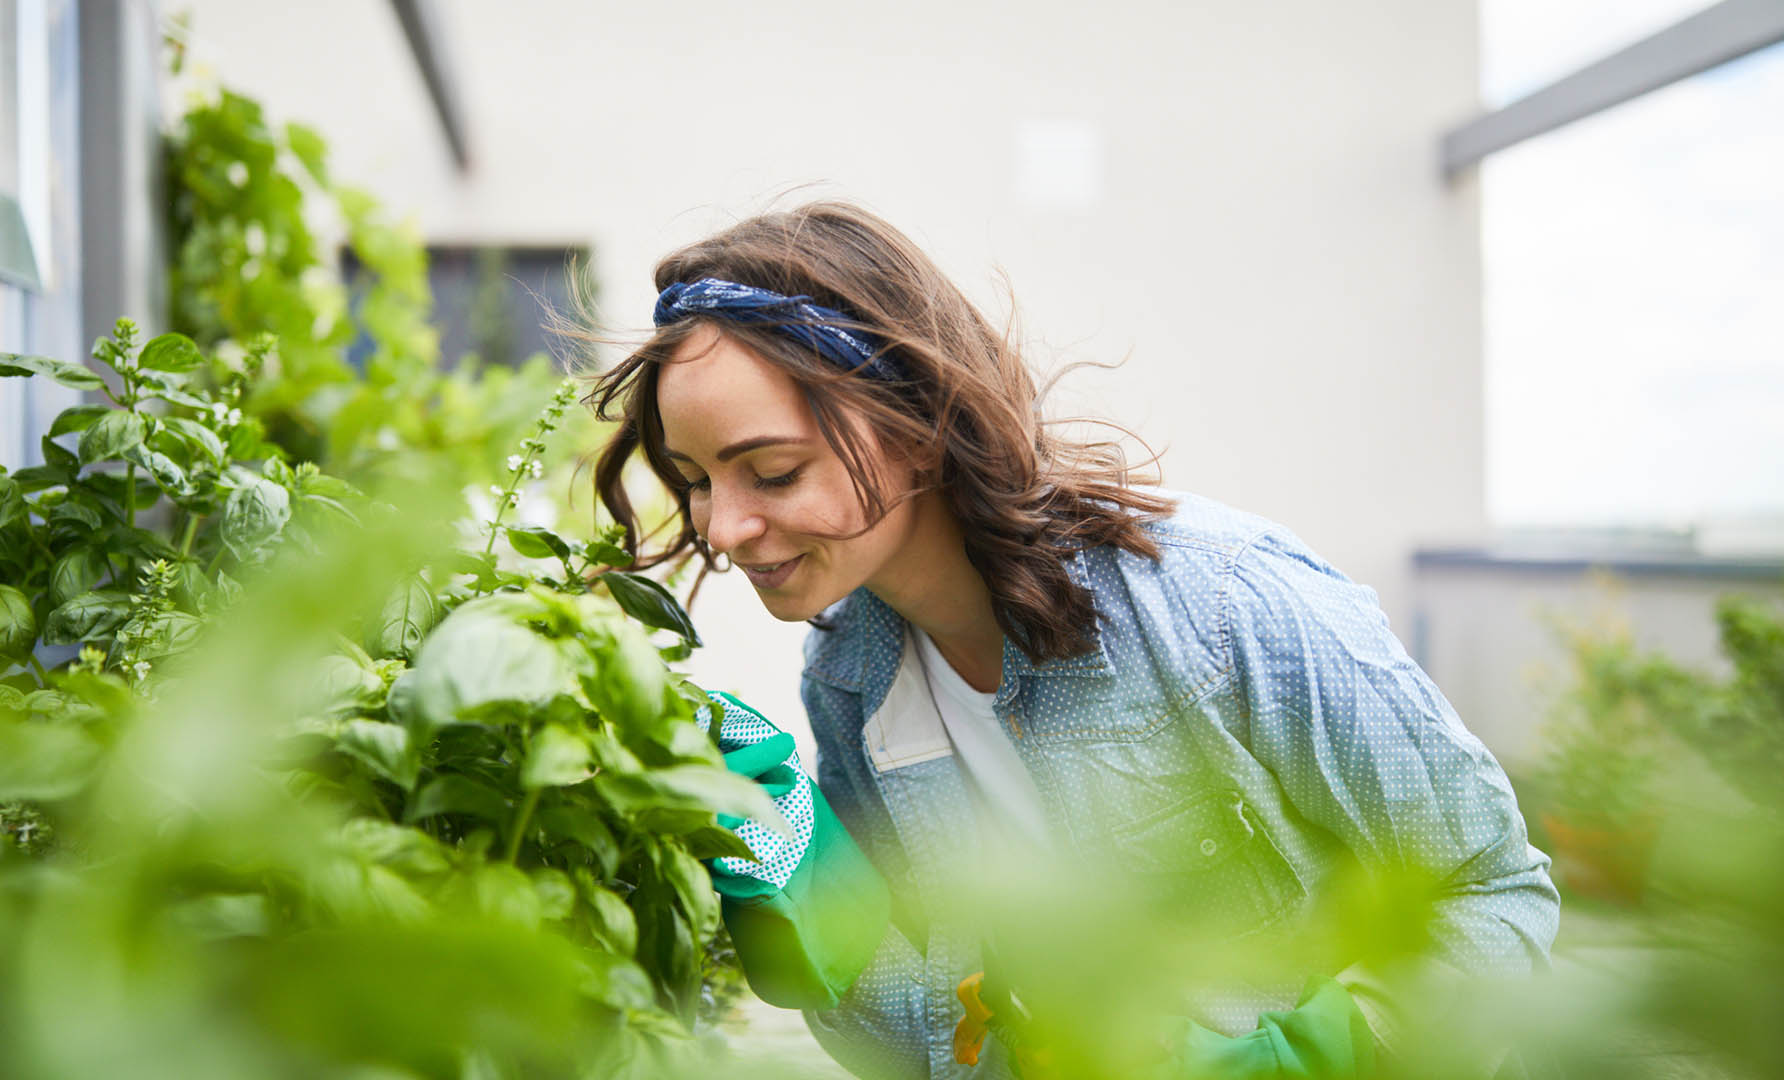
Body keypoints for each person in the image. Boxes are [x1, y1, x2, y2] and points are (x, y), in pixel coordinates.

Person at [587, 201, 1558, 1079]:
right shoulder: (848, 678)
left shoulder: (1217, 603)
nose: (721, 527)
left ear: (915, 423)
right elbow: (922, 1046)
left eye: (773, 471)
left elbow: (1492, 893)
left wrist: (1331, 1053)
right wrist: (820, 902)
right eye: (698, 478)